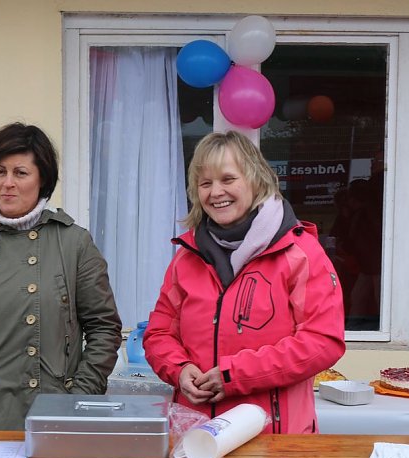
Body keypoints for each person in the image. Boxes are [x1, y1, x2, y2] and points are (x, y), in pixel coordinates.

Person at [0, 122, 123, 430]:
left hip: (52, 417)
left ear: (43, 179)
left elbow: (104, 329)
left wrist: (77, 399)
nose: (7, 183)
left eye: (21, 173)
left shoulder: (73, 243)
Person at [142, 131, 346, 434]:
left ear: (256, 180)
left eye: (228, 179)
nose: (216, 192)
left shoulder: (301, 253)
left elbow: (323, 342)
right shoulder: (186, 258)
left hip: (275, 441)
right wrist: (179, 369)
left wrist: (235, 375)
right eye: (205, 183)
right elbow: (159, 333)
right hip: (196, 438)